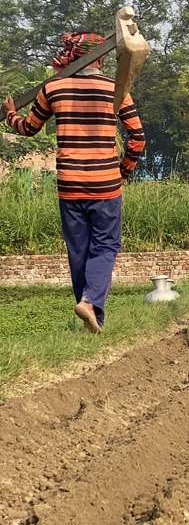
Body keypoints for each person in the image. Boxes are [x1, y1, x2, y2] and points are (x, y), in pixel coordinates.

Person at [3, 32, 145, 333]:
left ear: (72, 54)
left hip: (69, 184)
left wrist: (10, 115)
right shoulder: (116, 89)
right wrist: (123, 171)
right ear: (101, 57)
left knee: (78, 250)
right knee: (106, 245)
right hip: (105, 184)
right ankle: (91, 301)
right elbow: (137, 138)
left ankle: (91, 316)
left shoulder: (53, 87)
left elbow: (29, 128)